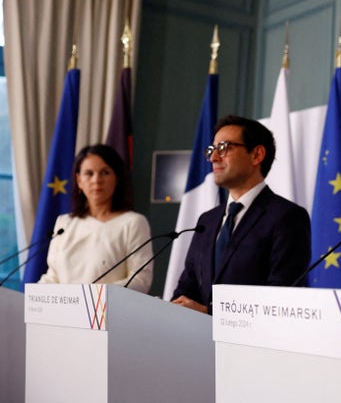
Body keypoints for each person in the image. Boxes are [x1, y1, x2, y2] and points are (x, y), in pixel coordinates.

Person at [171, 115, 311, 314]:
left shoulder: (287, 217)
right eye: (211, 150)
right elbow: (187, 286)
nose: (213, 158)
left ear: (256, 155)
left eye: (224, 148)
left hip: (253, 343)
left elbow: (280, 300)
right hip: (198, 341)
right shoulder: (207, 221)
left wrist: (209, 314)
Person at [39, 144, 153, 292]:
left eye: (105, 172)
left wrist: (92, 296)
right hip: (63, 312)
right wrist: (31, 296)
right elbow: (53, 276)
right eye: (89, 173)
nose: (97, 180)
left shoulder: (133, 223)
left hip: (108, 312)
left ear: (117, 178)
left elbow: (141, 280)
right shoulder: (64, 223)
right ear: (79, 180)